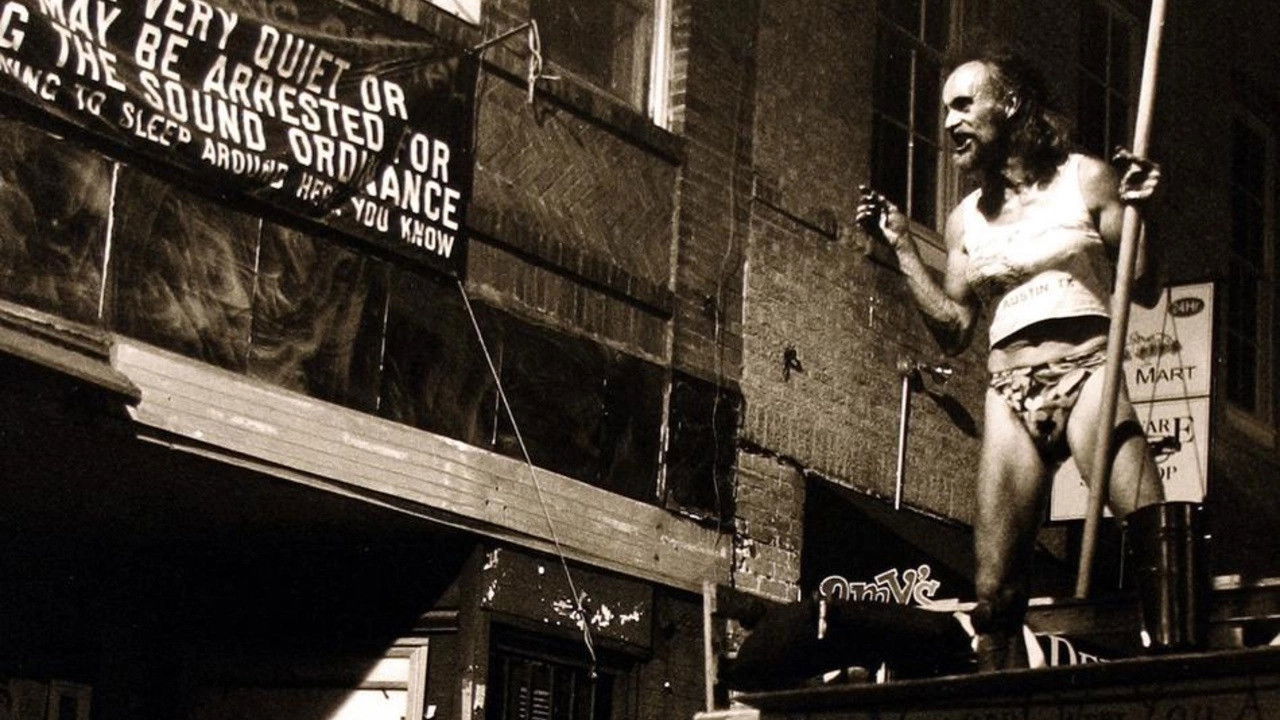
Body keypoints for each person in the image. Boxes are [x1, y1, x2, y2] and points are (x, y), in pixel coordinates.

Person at [856, 53, 1165, 670]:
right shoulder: (965, 220)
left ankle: (1176, 674)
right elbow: (955, 330)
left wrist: (1142, 211)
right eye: (945, 110)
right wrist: (902, 249)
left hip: (1087, 371)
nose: (949, 122)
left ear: (1012, 104)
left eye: (963, 104)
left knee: (1157, 537)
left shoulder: (1086, 179)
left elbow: (1144, 283)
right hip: (1010, 390)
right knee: (995, 592)